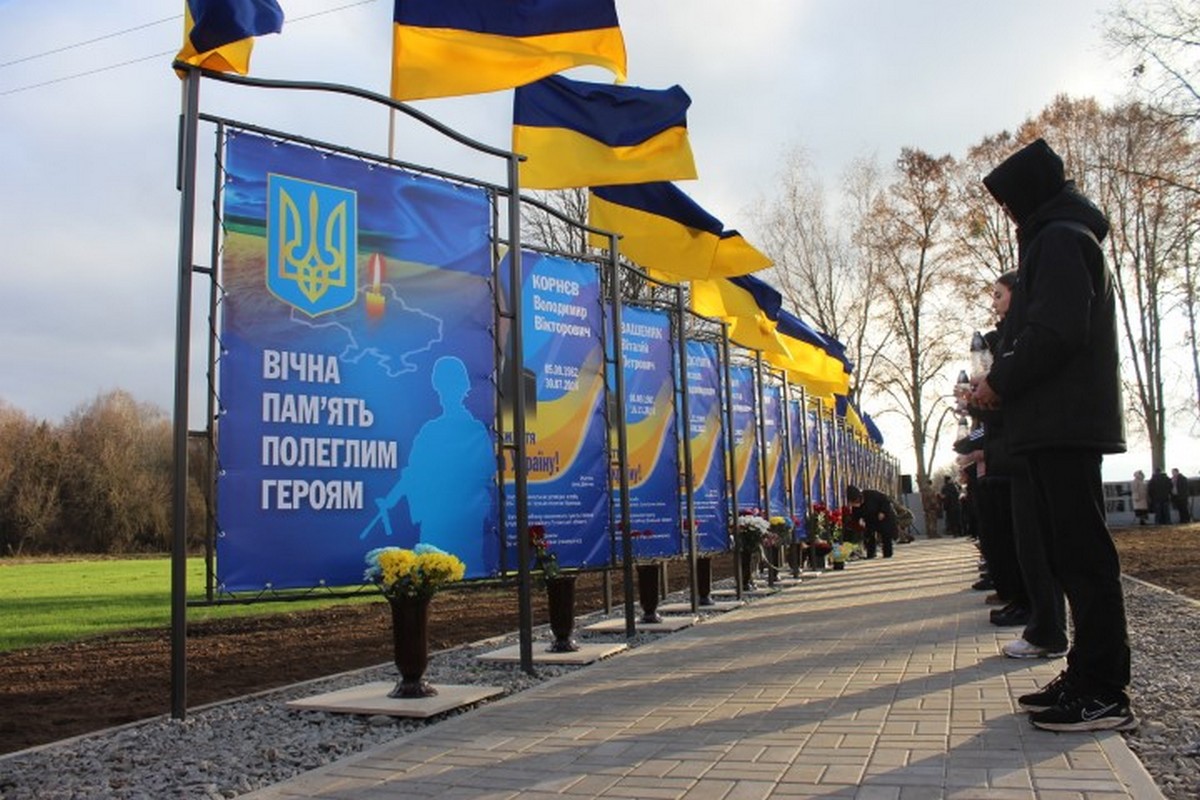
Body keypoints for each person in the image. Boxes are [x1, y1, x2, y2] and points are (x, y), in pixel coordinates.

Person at [972, 138, 1135, 731]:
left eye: (1010, 203)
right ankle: (1085, 673)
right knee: (1069, 555)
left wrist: (1000, 381)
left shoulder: (1062, 238)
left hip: (1066, 422)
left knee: (1083, 557)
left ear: (1030, 195)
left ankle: (1104, 690)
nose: (1008, 214)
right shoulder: (1058, 235)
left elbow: (1056, 329)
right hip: (1053, 423)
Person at [845, 484, 898, 558]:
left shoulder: (872, 494)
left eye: (857, 500)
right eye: (854, 502)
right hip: (870, 519)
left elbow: (886, 500)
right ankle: (871, 553)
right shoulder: (856, 507)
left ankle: (887, 553)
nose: (857, 503)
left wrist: (883, 511)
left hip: (883, 517)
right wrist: (856, 523)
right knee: (869, 535)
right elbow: (856, 517)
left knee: (886, 535)